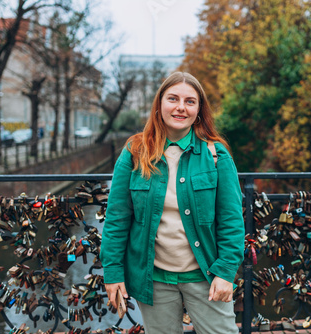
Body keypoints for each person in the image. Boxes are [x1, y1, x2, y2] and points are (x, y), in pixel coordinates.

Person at [100, 72, 244, 334]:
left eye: (190, 101)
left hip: (207, 276)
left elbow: (231, 220)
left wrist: (225, 272)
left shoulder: (216, 154)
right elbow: (117, 219)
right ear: (160, 104)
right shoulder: (135, 152)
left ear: (199, 110)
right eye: (173, 99)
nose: (181, 107)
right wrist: (113, 272)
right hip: (153, 279)